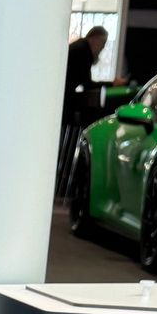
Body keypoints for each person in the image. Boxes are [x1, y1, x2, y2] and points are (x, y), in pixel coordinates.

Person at [56, 26, 108, 193]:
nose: (102, 48)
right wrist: (112, 83)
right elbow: (87, 83)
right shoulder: (83, 51)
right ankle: (62, 184)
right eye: (103, 43)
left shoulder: (78, 48)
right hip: (63, 101)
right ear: (96, 39)